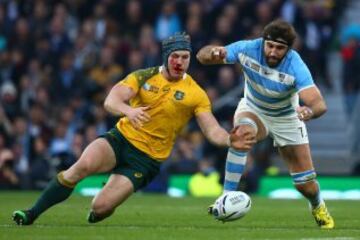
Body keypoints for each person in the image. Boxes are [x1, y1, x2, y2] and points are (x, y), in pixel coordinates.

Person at [12, 33, 248, 225]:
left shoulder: (195, 93)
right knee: (79, 168)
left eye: (185, 57)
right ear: (166, 56)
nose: (180, 62)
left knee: (99, 209)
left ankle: (108, 196)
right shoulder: (143, 76)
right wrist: (129, 111)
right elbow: (111, 101)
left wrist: (229, 140)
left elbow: (210, 128)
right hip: (120, 139)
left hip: (146, 160)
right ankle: (31, 213)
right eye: (175, 56)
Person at [196, 19, 334, 229]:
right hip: (254, 109)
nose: (272, 52)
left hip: (287, 118)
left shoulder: (295, 65)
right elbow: (202, 56)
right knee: (241, 134)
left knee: (306, 186)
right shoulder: (247, 48)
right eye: (270, 45)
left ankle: (317, 205)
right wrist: (211, 54)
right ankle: (225, 198)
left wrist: (309, 111)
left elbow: (319, 104)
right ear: (263, 42)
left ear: (288, 49)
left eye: (280, 48)